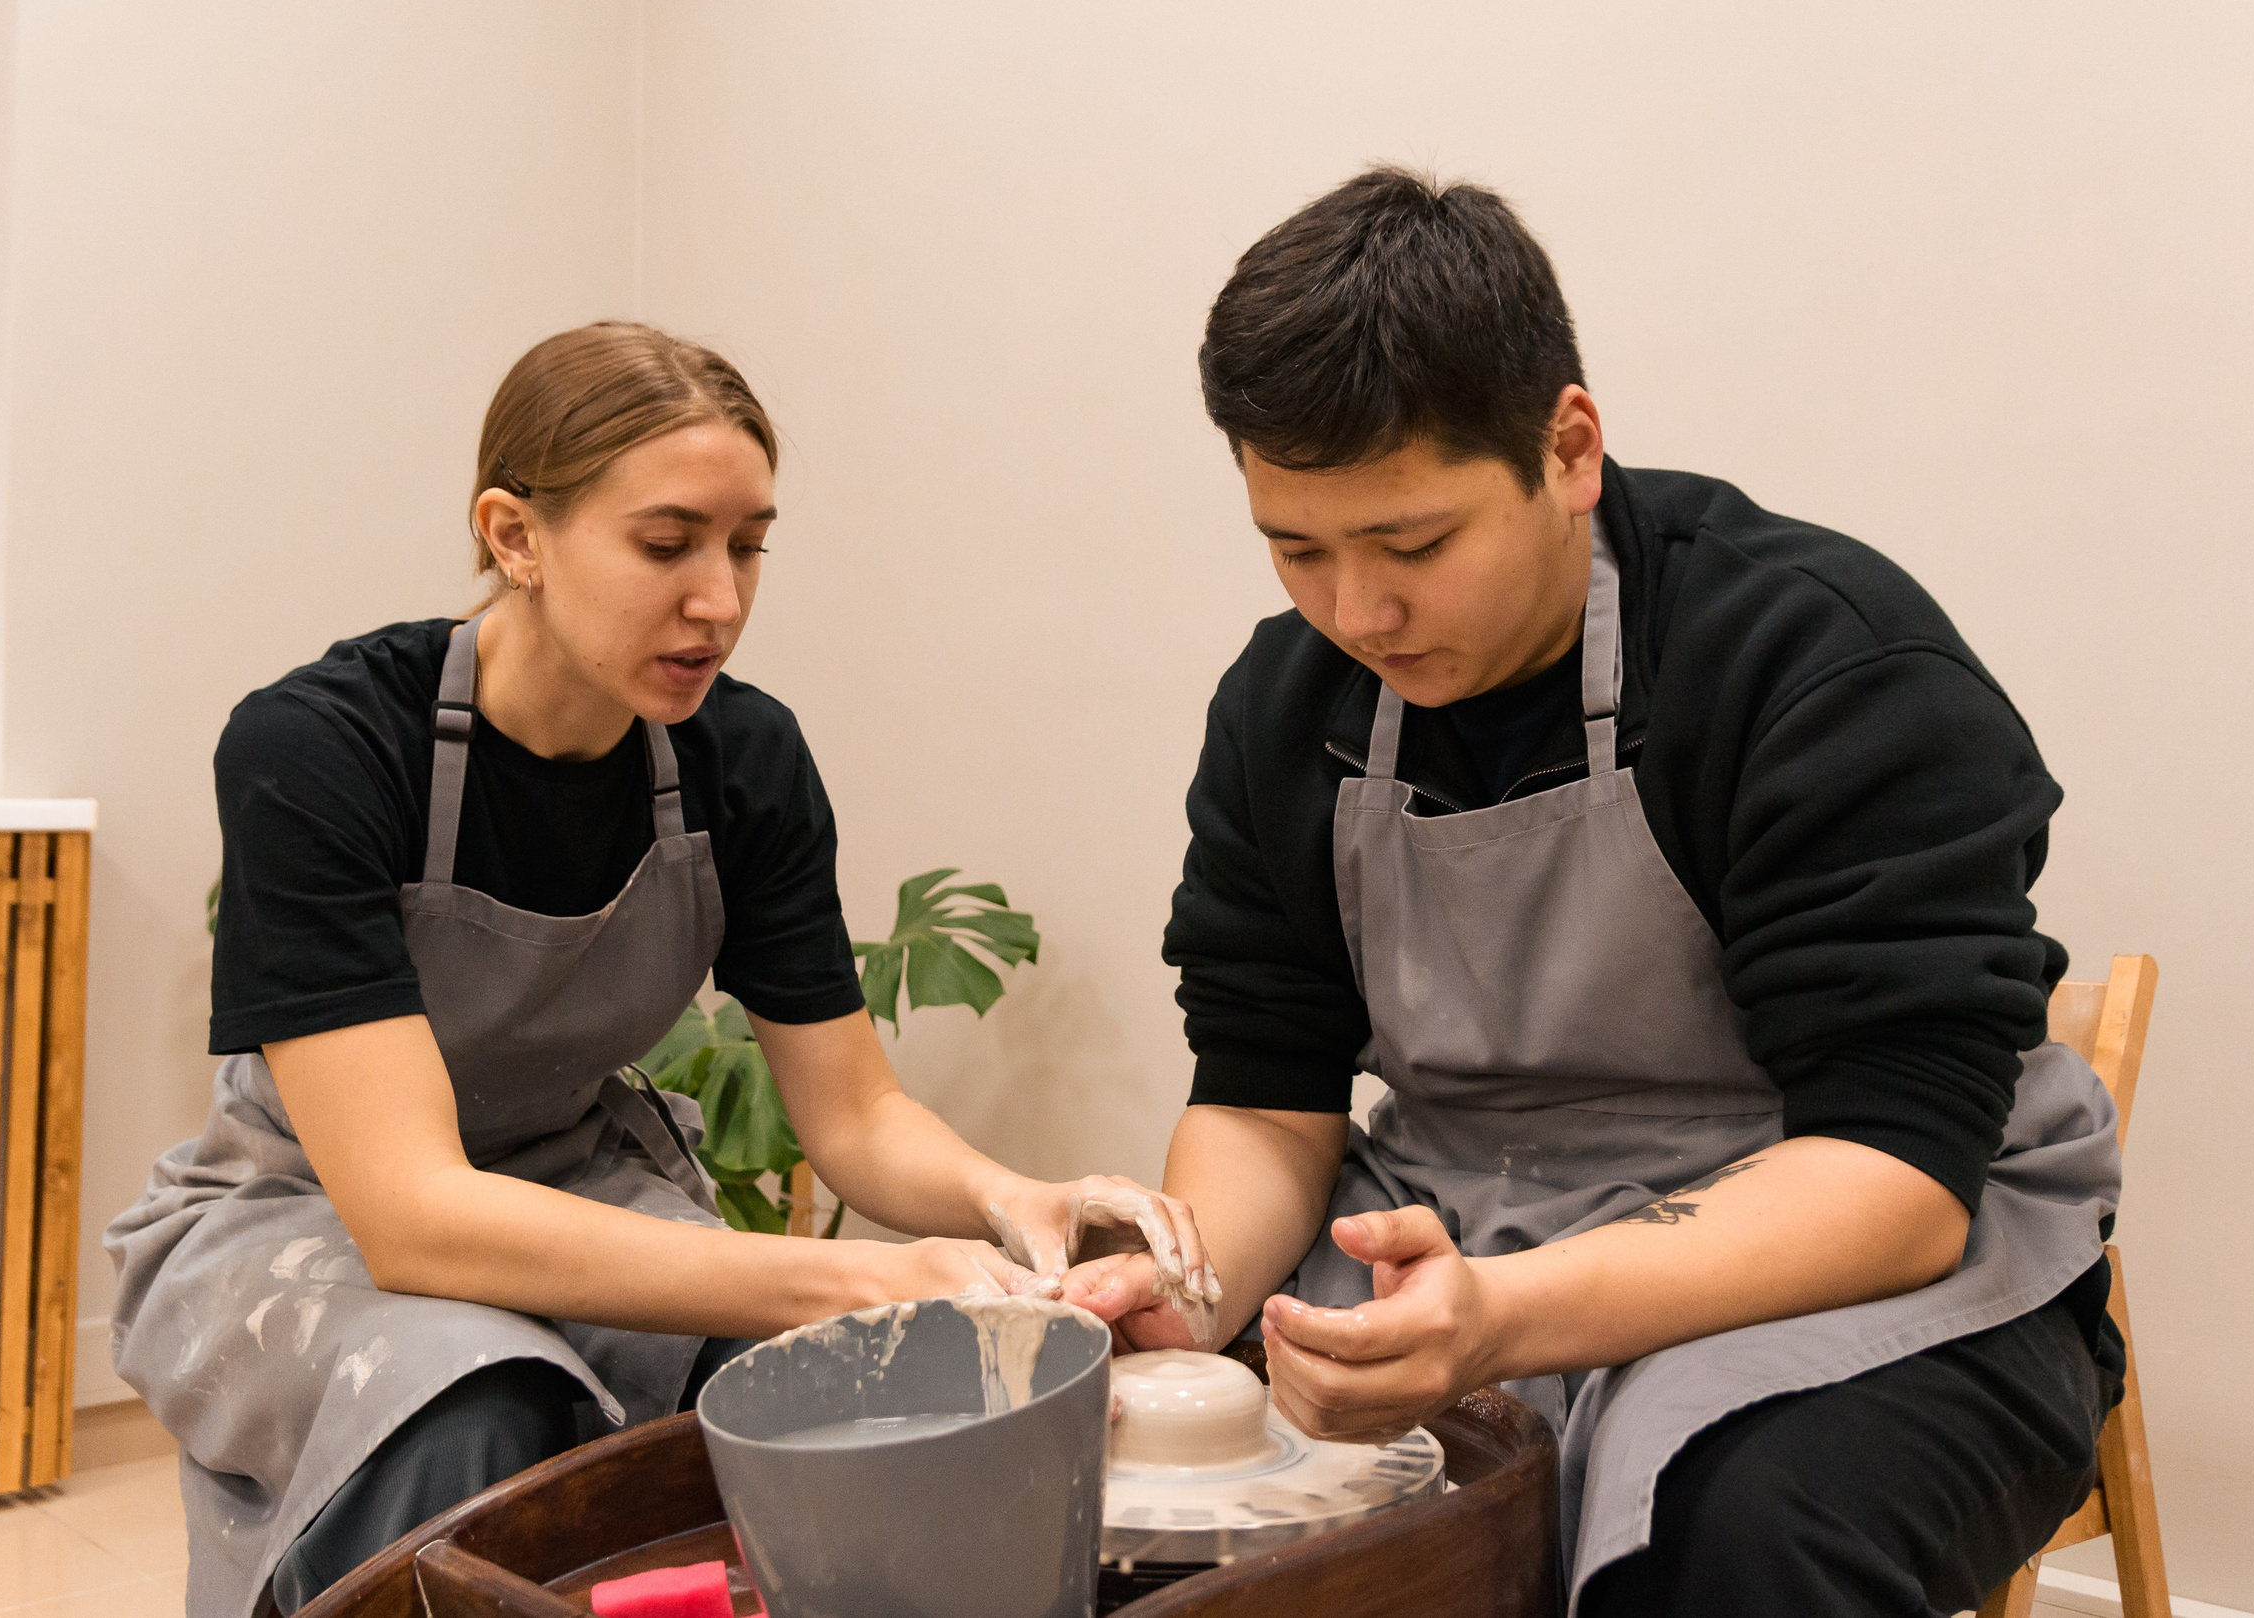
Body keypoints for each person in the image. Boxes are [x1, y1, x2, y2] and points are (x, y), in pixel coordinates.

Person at [1062, 171, 2124, 1616]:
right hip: (1452, 1227)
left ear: (1567, 447)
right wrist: (1185, 1293)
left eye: (1414, 545)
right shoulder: (1286, 706)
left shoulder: (1821, 665)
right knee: (1155, 1535)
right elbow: (1265, 1095)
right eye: (1296, 549)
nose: (1357, 612)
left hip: (1851, 1253)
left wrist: (1502, 1314)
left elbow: (1896, 1178)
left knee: (1732, 1547)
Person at [107, 322, 1208, 1618]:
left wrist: (1011, 1196)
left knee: (798, 1377)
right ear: (515, 535)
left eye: (748, 546)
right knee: (477, 1399)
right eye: (668, 543)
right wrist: (857, 1273)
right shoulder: (325, 748)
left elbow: (855, 1117)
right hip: (311, 1209)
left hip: (578, 1175)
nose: (722, 601)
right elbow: (413, 1210)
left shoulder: (740, 761)